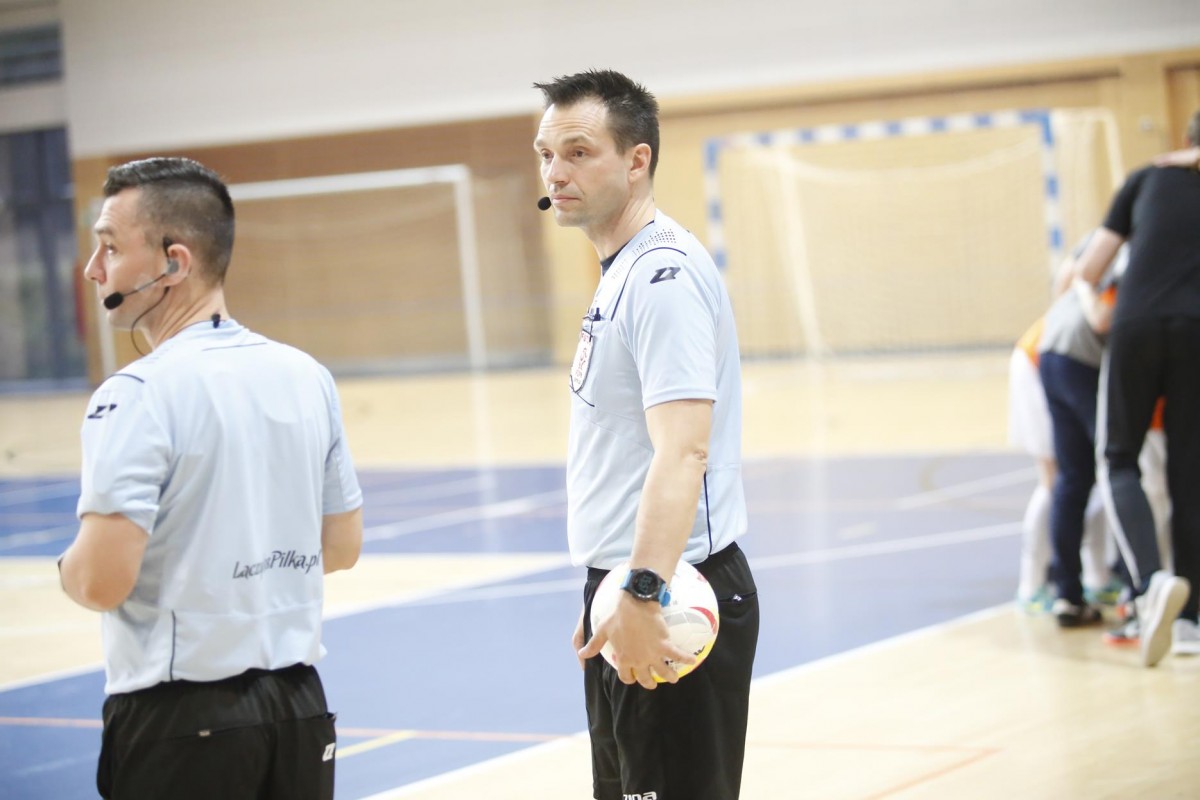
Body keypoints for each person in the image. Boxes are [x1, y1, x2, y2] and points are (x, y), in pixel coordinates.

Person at [58, 157, 364, 799]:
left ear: (174, 261)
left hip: (183, 720)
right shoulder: (305, 374)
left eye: (109, 247)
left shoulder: (136, 393)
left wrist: (68, 568)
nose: (93, 269)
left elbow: (100, 581)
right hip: (301, 709)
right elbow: (340, 548)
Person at [532, 70, 759, 799]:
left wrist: (638, 591)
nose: (555, 173)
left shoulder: (662, 275)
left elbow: (684, 450)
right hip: (632, 585)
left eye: (578, 152)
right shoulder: (623, 271)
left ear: (637, 161)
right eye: (546, 155)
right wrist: (608, 591)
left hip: (671, 591)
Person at [1074, 110, 1200, 666]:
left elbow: (1091, 266)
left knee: (1119, 457)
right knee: (1190, 473)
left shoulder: (1147, 178)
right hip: (1197, 329)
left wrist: (1088, 293)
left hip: (1138, 322)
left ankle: (1150, 586)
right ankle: (1192, 620)